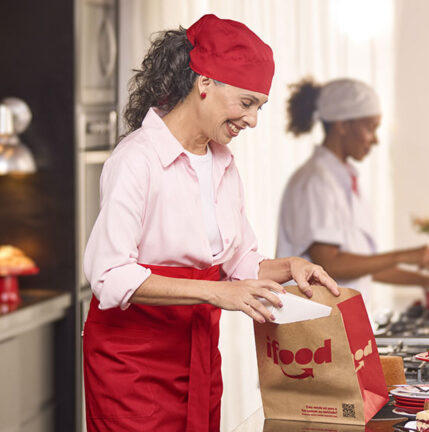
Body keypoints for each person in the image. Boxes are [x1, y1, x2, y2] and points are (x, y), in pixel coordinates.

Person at [82, 15, 339, 432]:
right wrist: (217, 292)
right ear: (204, 83)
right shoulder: (136, 160)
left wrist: (289, 266)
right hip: (131, 362)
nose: (253, 120)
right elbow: (109, 275)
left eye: (259, 107)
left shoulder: (222, 163)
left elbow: (239, 264)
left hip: (197, 353)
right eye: (247, 102)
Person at [276, 77, 429, 314]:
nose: (375, 139)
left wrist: (427, 281)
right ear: (342, 125)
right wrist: (402, 256)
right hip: (315, 322)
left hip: (338, 319)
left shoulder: (343, 179)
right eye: (370, 128)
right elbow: (329, 263)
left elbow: (360, 266)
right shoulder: (316, 181)